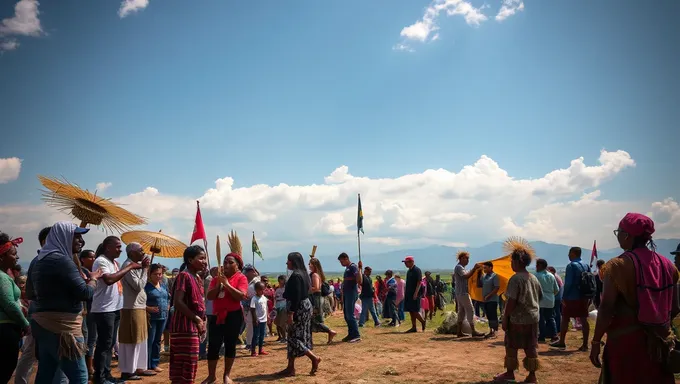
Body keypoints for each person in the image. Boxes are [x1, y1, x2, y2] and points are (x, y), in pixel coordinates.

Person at [589, 213, 679, 384]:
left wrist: (595, 342)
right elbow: (674, 307)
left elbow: (606, 308)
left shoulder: (616, 266)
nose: (618, 237)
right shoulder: (669, 266)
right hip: (659, 344)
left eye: (618, 232)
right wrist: (655, 325)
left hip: (626, 345)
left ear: (627, 235)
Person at [27, 222, 102, 383]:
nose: (81, 241)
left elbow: (30, 292)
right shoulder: (62, 261)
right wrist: (93, 280)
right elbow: (85, 293)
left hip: (42, 325)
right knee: (79, 377)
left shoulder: (38, 260)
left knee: (46, 373)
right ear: (65, 237)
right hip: (64, 328)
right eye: (77, 237)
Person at [91, 236, 141, 384]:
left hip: (114, 308)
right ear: (108, 247)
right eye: (118, 247)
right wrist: (130, 267)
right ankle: (99, 377)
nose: (120, 250)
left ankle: (107, 375)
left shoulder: (114, 262)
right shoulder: (101, 261)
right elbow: (109, 280)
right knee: (104, 344)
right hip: (103, 309)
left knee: (110, 344)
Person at [494, 238, 543, 384]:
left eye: (512, 261)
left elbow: (511, 301)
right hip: (533, 318)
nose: (511, 264)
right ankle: (532, 375)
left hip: (517, 319)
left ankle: (510, 373)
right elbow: (539, 296)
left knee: (511, 346)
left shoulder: (515, 279)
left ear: (518, 262)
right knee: (531, 346)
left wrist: (505, 317)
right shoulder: (533, 278)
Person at [14, 227, 52, 384]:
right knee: (31, 352)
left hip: (41, 315)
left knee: (37, 353)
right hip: (41, 316)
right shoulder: (42, 261)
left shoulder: (44, 260)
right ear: (45, 242)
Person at [203, 252, 246, 384]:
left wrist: (227, 284)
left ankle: (226, 375)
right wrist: (218, 285)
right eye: (225, 262)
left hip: (233, 315)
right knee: (213, 345)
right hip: (217, 315)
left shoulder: (241, 278)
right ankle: (211, 376)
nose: (226, 265)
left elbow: (240, 296)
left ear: (237, 266)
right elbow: (209, 296)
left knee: (230, 344)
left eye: (230, 262)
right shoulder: (216, 278)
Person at [277, 252, 321, 377]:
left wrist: (291, 313)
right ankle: (290, 368)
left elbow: (296, 296)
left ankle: (314, 358)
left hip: (297, 308)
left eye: (288, 260)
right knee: (297, 336)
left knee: (293, 338)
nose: (287, 263)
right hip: (305, 306)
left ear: (293, 262)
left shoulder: (296, 275)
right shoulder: (304, 274)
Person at [169, 245, 207, 384]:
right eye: (201, 258)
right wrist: (196, 318)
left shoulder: (197, 277)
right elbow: (178, 302)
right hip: (184, 327)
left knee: (190, 364)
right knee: (184, 364)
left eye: (205, 258)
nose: (204, 261)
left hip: (193, 327)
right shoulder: (184, 276)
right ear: (190, 260)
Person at [119, 242, 155, 380]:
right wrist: (145, 269)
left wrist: (143, 268)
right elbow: (138, 286)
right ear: (131, 253)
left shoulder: (137, 266)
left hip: (139, 307)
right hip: (131, 308)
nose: (143, 252)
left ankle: (139, 367)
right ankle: (128, 370)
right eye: (140, 250)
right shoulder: (128, 266)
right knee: (132, 339)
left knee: (141, 339)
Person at [0, 232, 29, 383]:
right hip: (5, 331)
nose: (17, 258)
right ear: (2, 257)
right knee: (5, 368)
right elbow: (9, 305)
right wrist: (25, 324)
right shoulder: (2, 277)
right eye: (13, 254)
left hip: (7, 329)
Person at [550, 247, 591, 351]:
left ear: (573, 253)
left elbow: (568, 283)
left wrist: (564, 296)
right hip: (584, 296)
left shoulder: (571, 266)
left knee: (565, 318)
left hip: (571, 296)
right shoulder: (586, 265)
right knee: (583, 319)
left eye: (569, 253)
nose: (568, 255)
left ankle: (562, 341)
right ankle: (585, 344)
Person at [145, 264, 170, 373]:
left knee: (157, 341)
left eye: (160, 274)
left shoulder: (163, 285)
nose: (158, 276)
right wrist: (148, 308)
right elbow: (139, 301)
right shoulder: (146, 287)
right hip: (151, 318)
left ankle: (155, 362)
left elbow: (168, 297)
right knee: (150, 340)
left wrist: (168, 305)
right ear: (150, 274)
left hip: (163, 316)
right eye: (156, 274)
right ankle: (147, 364)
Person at [453, 251, 484, 337]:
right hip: (463, 293)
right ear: (460, 259)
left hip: (460, 293)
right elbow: (466, 276)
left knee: (461, 312)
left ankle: (459, 332)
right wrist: (474, 269)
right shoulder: (459, 267)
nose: (467, 260)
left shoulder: (460, 267)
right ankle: (473, 331)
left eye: (467, 258)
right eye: (465, 258)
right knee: (470, 310)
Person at [308, 257, 337, 343]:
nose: (309, 265)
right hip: (315, 298)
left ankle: (330, 331)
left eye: (310, 264)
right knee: (311, 321)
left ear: (315, 265)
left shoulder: (314, 275)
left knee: (313, 320)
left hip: (315, 299)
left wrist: (306, 289)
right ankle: (309, 341)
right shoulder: (315, 274)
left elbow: (316, 287)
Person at [337, 252, 363, 342]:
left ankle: (356, 335)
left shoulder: (353, 267)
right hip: (347, 293)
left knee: (350, 314)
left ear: (346, 259)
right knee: (346, 315)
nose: (341, 263)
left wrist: (360, 269)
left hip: (351, 293)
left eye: (341, 261)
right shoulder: (347, 268)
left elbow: (359, 280)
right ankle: (351, 334)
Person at [533, 259, 559, 343]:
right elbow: (556, 289)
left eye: (537, 265)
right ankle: (554, 335)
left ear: (540, 266)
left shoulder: (536, 275)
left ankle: (542, 336)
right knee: (550, 318)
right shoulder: (551, 276)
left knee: (540, 318)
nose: (536, 267)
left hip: (539, 299)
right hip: (550, 300)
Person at [402, 256, 426, 333]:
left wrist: (416, 293)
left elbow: (419, 282)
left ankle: (423, 321)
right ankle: (414, 326)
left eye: (407, 262)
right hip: (408, 293)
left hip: (415, 293)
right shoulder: (409, 271)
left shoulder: (417, 270)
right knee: (410, 310)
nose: (405, 264)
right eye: (405, 263)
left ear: (412, 262)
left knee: (415, 310)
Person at [242, 264, 261, 349]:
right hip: (247, 306)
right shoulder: (246, 281)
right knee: (249, 325)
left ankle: (254, 342)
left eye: (247, 271)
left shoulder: (256, 282)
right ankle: (250, 342)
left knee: (254, 324)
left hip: (255, 306)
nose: (245, 273)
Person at [249, 282, 270, 357]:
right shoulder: (254, 299)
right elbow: (252, 309)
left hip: (264, 320)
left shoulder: (264, 298)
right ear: (256, 290)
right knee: (256, 335)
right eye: (260, 290)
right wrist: (255, 319)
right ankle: (253, 350)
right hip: (257, 320)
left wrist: (267, 316)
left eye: (263, 289)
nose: (262, 291)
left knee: (262, 335)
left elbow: (265, 307)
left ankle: (260, 349)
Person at [481, 261, 500, 339]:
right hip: (486, 300)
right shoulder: (484, 276)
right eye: (483, 268)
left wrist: (489, 295)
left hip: (492, 300)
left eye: (485, 268)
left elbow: (496, 288)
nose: (484, 269)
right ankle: (491, 331)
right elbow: (479, 284)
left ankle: (495, 332)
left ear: (490, 267)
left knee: (493, 315)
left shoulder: (495, 276)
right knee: (488, 315)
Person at [546, 266, 563, 331]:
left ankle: (556, 328)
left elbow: (556, 289)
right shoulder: (556, 276)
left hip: (556, 297)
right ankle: (557, 328)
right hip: (558, 297)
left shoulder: (554, 277)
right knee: (557, 313)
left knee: (555, 313)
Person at [274, 275, 287, 343]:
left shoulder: (286, 288)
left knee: (282, 323)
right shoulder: (278, 289)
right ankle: (282, 337)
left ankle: (285, 337)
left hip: (283, 306)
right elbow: (275, 298)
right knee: (278, 323)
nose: (279, 281)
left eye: (281, 279)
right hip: (278, 306)